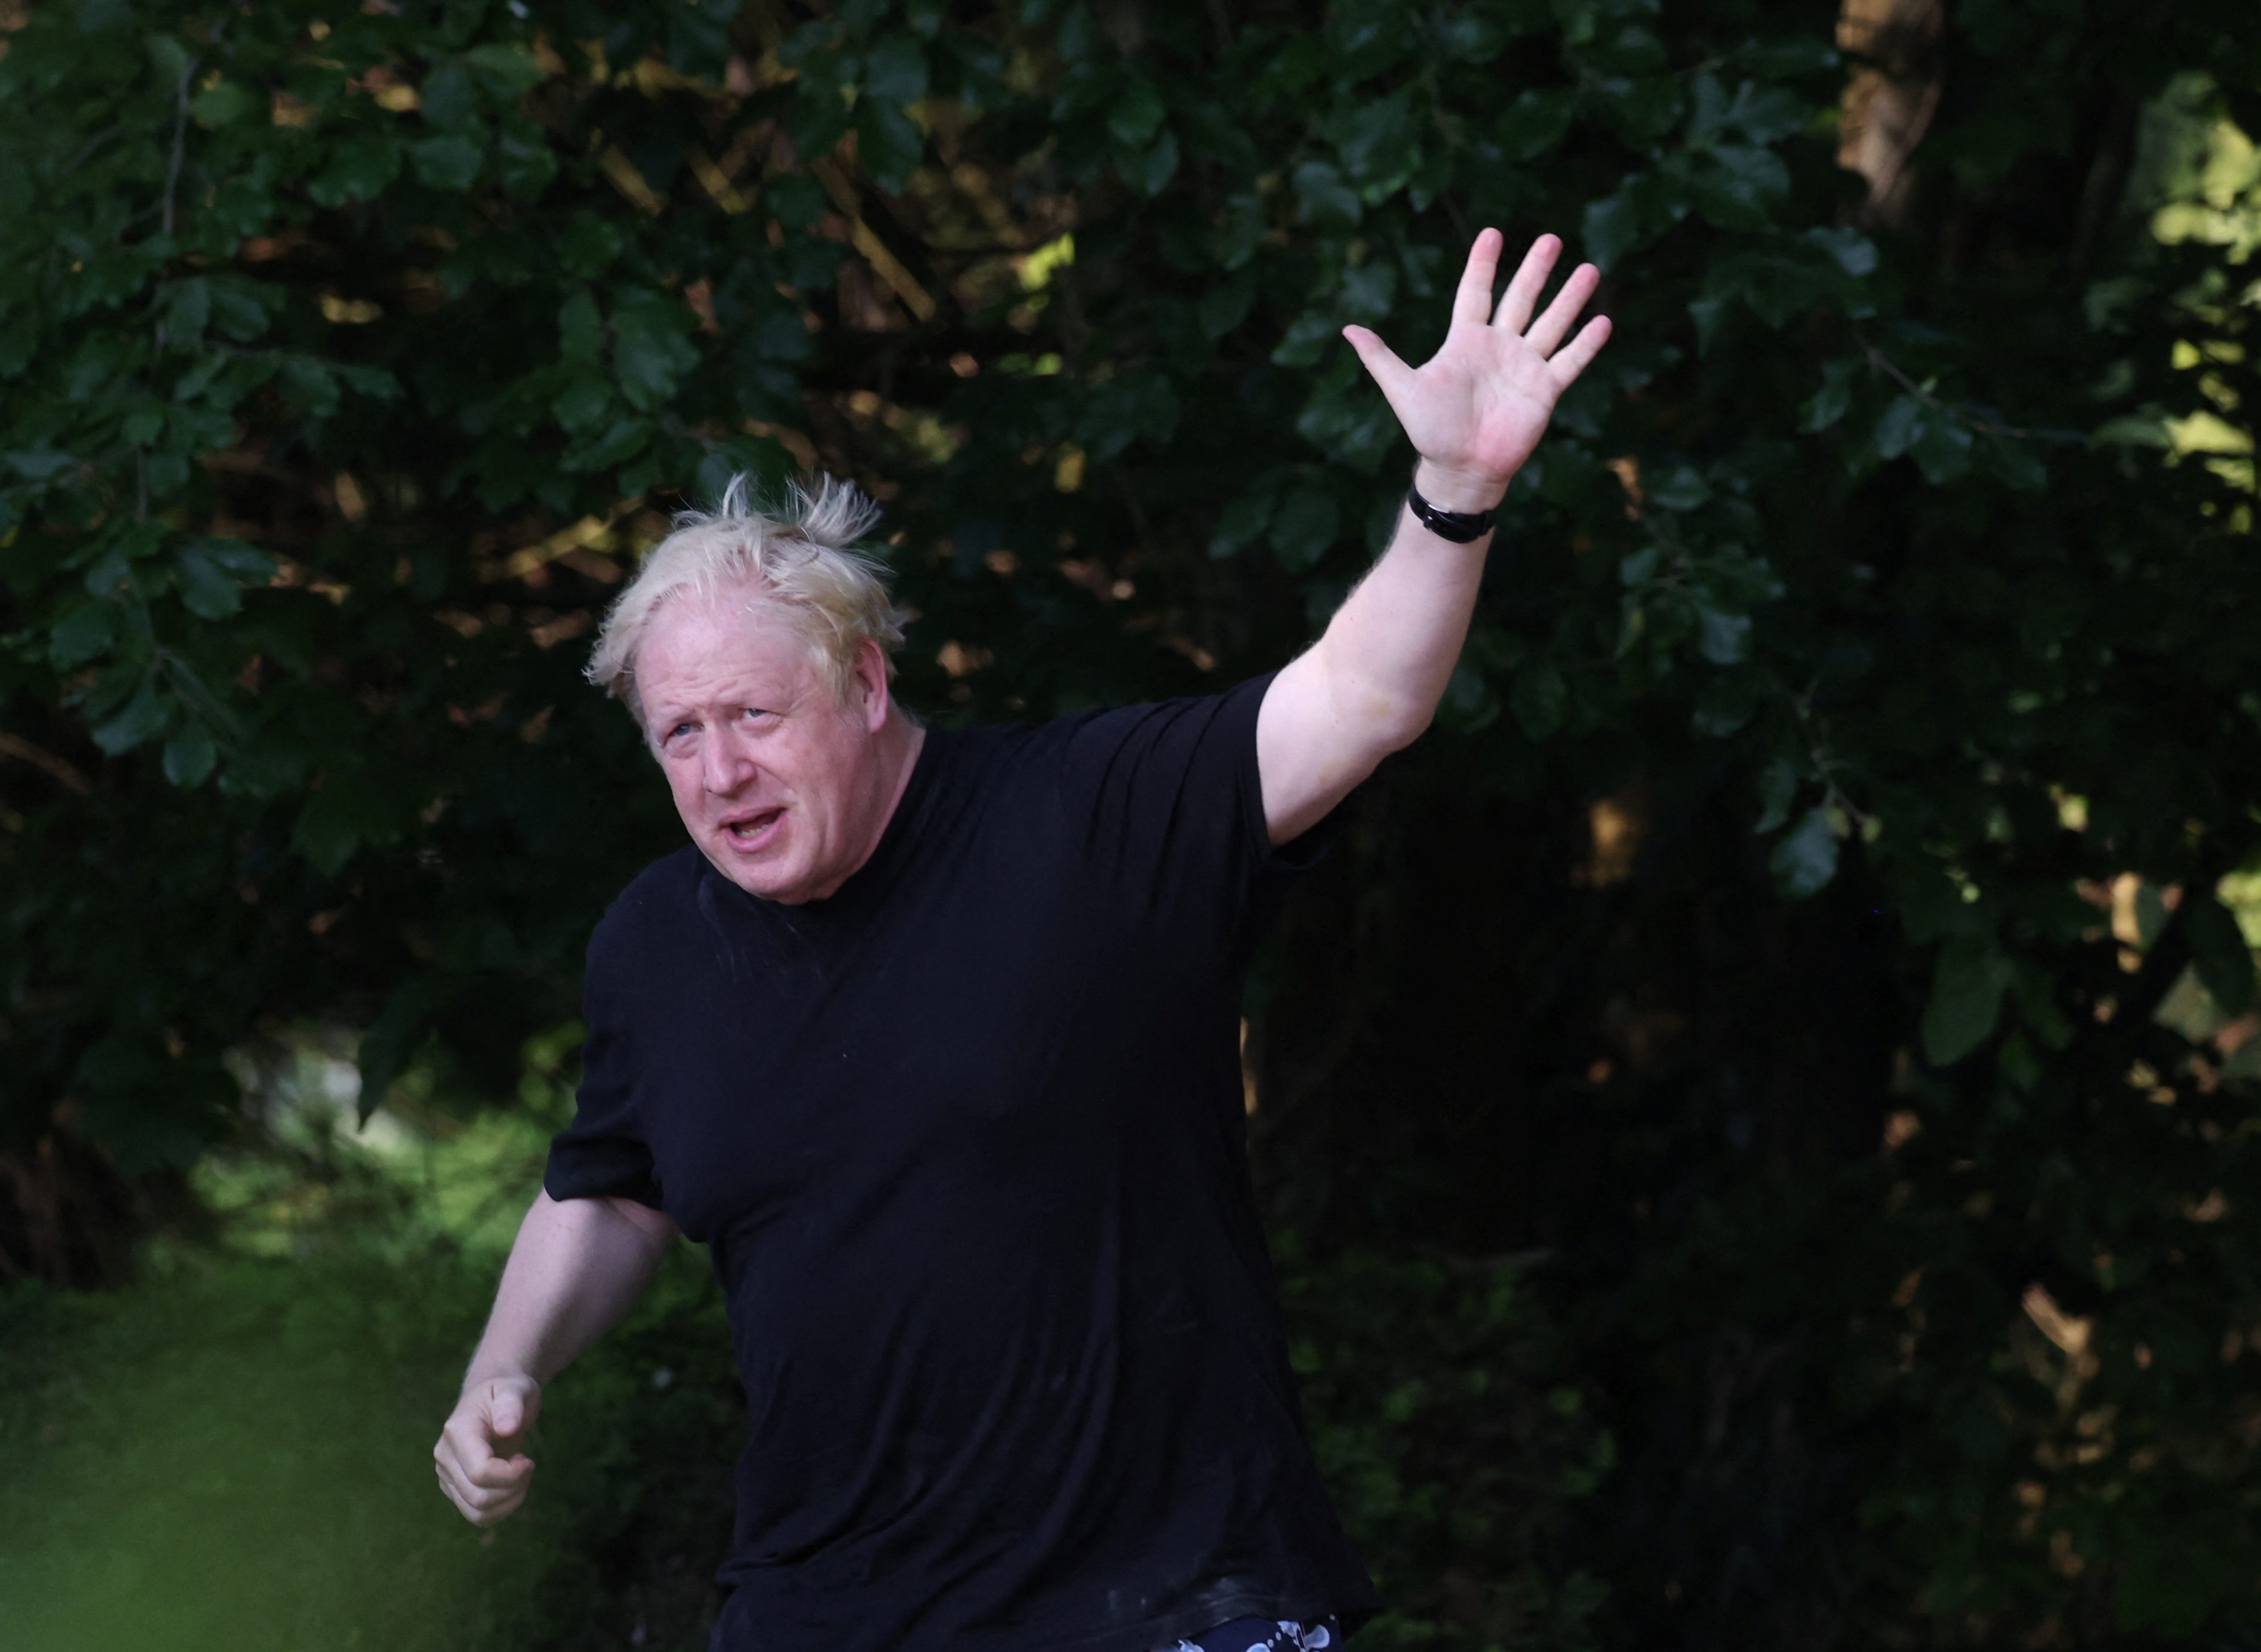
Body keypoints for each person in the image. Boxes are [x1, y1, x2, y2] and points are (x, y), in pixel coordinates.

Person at [432, 227, 1610, 1651]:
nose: (719, 770)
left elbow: (1359, 700)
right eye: (679, 733)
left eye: (754, 715)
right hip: (825, 1613)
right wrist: (507, 1367)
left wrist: (1454, 493)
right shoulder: (654, 946)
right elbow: (614, 1189)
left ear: (863, 683)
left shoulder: (1091, 819)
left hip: (1174, 1606)